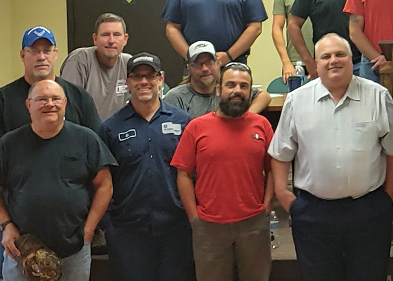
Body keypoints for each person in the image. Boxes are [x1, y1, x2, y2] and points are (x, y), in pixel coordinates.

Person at [269, 33, 393, 281]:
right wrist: (284, 195)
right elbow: (280, 153)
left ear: (351, 59)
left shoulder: (377, 96)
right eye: (326, 56)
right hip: (313, 213)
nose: (334, 61)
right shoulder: (297, 100)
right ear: (316, 63)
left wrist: (389, 196)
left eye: (340, 54)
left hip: (368, 211)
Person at [0, 26, 102, 281]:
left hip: (70, 231)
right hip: (17, 226)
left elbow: (98, 165)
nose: (41, 56)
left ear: (56, 54)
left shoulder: (78, 97)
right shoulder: (0, 100)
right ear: (23, 55)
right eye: (34, 51)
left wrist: (87, 229)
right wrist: (7, 223)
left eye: (47, 50)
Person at [0, 79, 115, 281]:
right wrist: (6, 225)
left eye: (55, 99)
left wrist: (89, 229)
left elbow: (105, 185)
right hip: (22, 250)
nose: (49, 104)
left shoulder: (87, 140)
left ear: (65, 103)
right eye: (41, 99)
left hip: (74, 248)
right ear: (28, 105)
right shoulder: (9, 144)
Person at [171, 62, 274, 281]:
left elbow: (273, 169)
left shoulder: (262, 125)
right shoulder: (196, 127)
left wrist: (266, 208)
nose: (237, 90)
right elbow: (183, 174)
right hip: (209, 227)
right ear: (219, 90)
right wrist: (195, 218)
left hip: (254, 224)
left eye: (244, 86)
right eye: (231, 85)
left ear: (249, 91)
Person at [97, 53, 195, 281]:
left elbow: (194, 173)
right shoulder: (110, 128)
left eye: (150, 76)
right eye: (136, 76)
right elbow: (101, 180)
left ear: (160, 80)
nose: (143, 82)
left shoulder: (184, 122)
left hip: (176, 230)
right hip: (128, 233)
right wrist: (108, 225)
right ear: (128, 82)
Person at [162, 41, 270, 117]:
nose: (205, 69)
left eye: (209, 62)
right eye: (199, 64)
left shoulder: (227, 90)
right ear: (189, 68)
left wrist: (247, 117)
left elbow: (264, 96)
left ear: (218, 64)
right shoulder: (176, 97)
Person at [60, 13, 132, 119]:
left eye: (116, 35)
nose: (111, 40)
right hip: (86, 132)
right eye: (105, 35)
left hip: (117, 132)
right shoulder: (80, 59)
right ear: (95, 39)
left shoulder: (129, 63)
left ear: (125, 39)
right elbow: (68, 107)